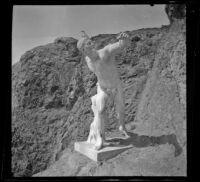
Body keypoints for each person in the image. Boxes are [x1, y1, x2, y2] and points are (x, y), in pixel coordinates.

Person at [77, 30, 131, 150]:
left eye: (90, 42)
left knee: (120, 109)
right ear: (84, 51)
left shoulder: (105, 53)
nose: (91, 44)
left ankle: (122, 127)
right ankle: (100, 138)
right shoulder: (88, 61)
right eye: (87, 43)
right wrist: (84, 36)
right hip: (102, 88)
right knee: (100, 111)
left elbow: (118, 46)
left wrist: (123, 41)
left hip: (115, 86)